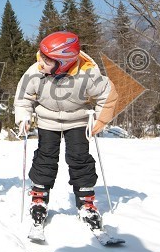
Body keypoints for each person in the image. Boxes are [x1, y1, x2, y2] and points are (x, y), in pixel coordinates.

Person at [14, 31, 118, 230]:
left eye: (47, 60)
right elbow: (23, 96)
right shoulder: (36, 71)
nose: (40, 62)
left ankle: (86, 201)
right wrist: (24, 116)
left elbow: (108, 96)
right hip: (47, 120)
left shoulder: (87, 73)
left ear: (63, 62)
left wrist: (99, 119)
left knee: (79, 158)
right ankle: (39, 197)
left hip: (77, 121)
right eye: (41, 56)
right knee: (45, 157)